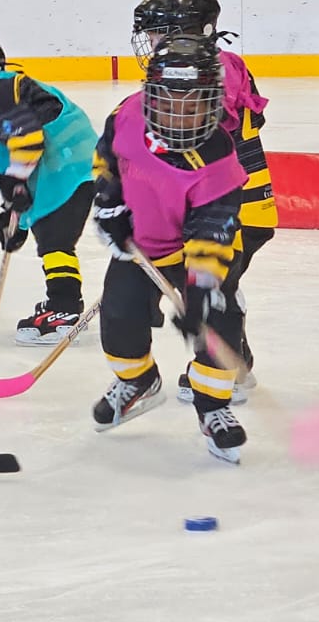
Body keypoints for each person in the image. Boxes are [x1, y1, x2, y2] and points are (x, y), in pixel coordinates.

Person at [90, 35, 248, 464]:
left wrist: (200, 289)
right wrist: (109, 202)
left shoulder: (218, 157)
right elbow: (106, 159)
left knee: (218, 322)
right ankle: (138, 381)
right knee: (118, 316)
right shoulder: (125, 115)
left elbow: (212, 228)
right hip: (142, 243)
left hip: (197, 253)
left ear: (213, 103)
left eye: (192, 105)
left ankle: (212, 407)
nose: (180, 116)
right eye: (169, 103)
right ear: (151, 97)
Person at [131, 0, 276, 396]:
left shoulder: (213, 69)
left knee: (213, 286)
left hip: (236, 207)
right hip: (231, 204)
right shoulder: (208, 66)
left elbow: (196, 141)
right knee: (209, 283)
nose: (151, 42)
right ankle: (236, 362)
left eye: (157, 33)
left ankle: (228, 372)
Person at [0, 32, 97, 344]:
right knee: (53, 238)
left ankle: (64, 308)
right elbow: (24, 159)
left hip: (68, 170)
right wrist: (15, 215)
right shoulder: (2, 92)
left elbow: (28, 139)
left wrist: (15, 188)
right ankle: (63, 304)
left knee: (55, 240)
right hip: (69, 169)